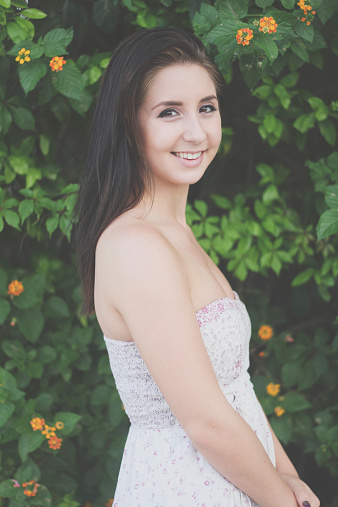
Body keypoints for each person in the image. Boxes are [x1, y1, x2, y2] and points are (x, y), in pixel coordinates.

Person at [74, 28, 320, 507]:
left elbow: (235, 390)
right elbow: (206, 422)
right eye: (170, 112)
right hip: (185, 487)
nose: (196, 131)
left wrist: (292, 483)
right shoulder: (135, 247)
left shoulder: (177, 235)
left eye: (207, 107)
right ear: (129, 124)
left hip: (244, 481)